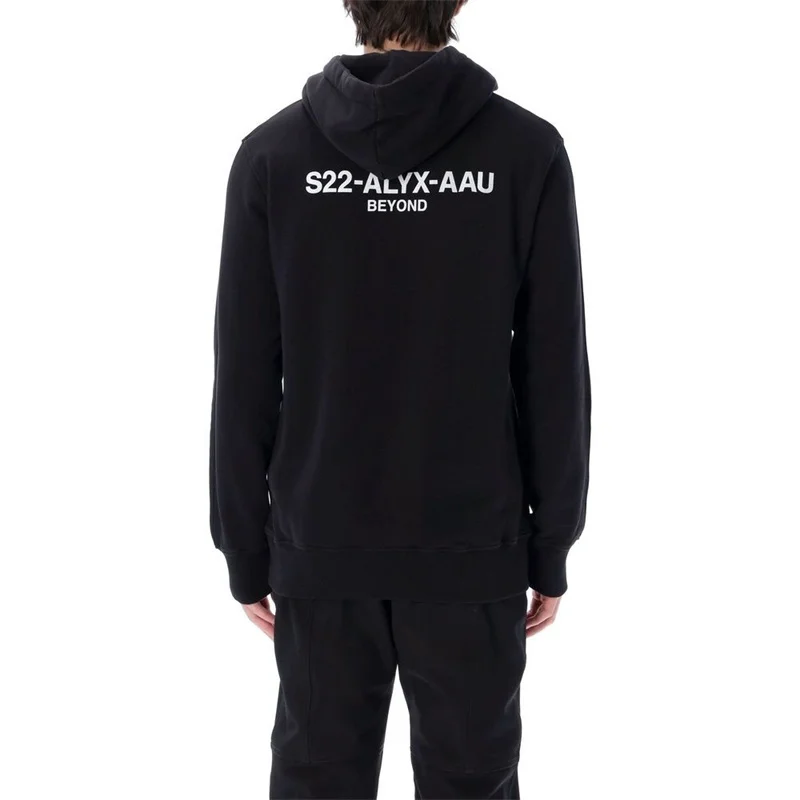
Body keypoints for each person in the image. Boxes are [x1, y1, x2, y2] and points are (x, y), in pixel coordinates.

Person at [209, 1, 590, 797]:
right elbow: (553, 370)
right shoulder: (525, 152)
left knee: (315, 781)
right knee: (472, 782)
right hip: (472, 548)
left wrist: (245, 549)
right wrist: (550, 542)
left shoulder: (273, 155)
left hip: (321, 544)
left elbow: (244, 374)